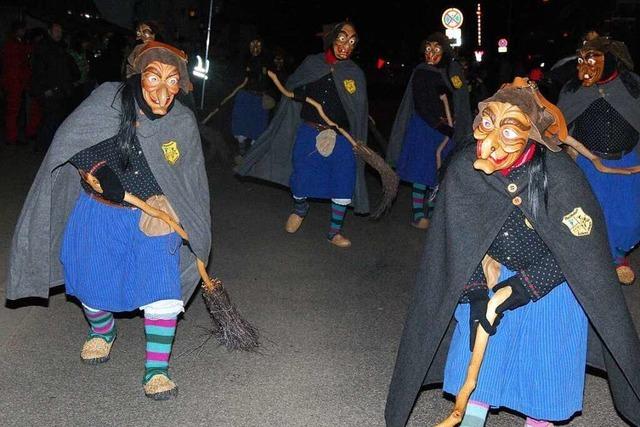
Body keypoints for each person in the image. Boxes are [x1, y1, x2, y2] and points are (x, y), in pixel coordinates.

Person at [385, 79, 640, 427]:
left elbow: (578, 254)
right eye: (487, 124)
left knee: (546, 351)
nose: (490, 143)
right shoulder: (465, 170)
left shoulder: (559, 175)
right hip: (494, 271)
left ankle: (539, 418)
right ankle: (473, 412)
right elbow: (456, 247)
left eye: (508, 131)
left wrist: (520, 289)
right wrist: (476, 294)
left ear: (532, 135)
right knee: (475, 341)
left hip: (552, 283)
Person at [7, 41, 211, 400]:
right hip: (101, 212)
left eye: (173, 81)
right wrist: (99, 169)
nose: (164, 92)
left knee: (162, 288)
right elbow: (74, 141)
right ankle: (102, 332)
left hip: (156, 217)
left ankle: (157, 369)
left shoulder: (181, 120)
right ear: (137, 76)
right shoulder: (109, 100)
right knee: (90, 284)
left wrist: (188, 221)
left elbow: (189, 179)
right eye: (154, 78)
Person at [237, 22, 369, 247]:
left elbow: (358, 108)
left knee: (344, 178)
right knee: (301, 175)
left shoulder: (354, 73)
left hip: (341, 136)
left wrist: (356, 137)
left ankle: (334, 232)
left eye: (352, 41)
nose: (346, 45)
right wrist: (298, 94)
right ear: (331, 39)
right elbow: (296, 85)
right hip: (310, 130)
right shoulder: (313, 63)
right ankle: (300, 208)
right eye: (342, 38)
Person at [557, 36, 640, 285]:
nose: (586, 65)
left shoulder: (632, 86)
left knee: (629, 220)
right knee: (589, 217)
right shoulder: (573, 90)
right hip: (588, 162)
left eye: (593, 58)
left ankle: (618, 250)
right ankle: (611, 262)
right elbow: (561, 125)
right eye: (582, 59)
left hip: (628, 161)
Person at [387, 33, 471, 229]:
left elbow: (460, 98)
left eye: (436, 49)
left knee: (441, 172)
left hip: (449, 128)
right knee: (422, 170)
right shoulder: (422, 72)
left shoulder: (453, 71)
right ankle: (418, 213)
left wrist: (456, 123)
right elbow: (422, 103)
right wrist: (440, 125)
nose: (431, 53)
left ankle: (433, 210)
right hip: (425, 128)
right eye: (428, 49)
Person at [30, 22, 79, 152]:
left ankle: (47, 146)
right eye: (56, 31)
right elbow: (39, 71)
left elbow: (65, 69)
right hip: (50, 90)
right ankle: (43, 147)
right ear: (49, 31)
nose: (59, 33)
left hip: (61, 90)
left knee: (55, 119)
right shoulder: (43, 48)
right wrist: (45, 89)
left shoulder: (60, 48)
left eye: (60, 31)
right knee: (50, 119)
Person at [231, 38, 272, 155]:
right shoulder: (242, 60)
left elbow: (272, 80)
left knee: (258, 126)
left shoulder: (267, 62)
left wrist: (270, 95)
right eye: (253, 44)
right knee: (241, 122)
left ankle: (253, 156)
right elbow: (238, 79)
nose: (255, 47)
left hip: (260, 98)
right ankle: (241, 151)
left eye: (259, 44)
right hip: (245, 96)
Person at [1, 21, 39, 145]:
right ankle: (11, 137)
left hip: (16, 81)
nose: (24, 32)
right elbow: (18, 63)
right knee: (13, 110)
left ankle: (14, 135)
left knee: (15, 111)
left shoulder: (15, 43)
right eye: (22, 30)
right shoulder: (13, 44)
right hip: (15, 81)